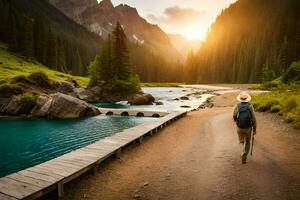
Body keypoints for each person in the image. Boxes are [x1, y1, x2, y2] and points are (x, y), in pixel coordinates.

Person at [233, 91, 257, 164]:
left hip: (240, 127)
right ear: (247, 99)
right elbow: (253, 118)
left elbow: (234, 115)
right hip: (248, 128)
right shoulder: (250, 106)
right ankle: (244, 153)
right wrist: (255, 129)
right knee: (247, 142)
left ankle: (242, 150)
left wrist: (236, 121)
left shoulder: (237, 105)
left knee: (241, 141)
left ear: (240, 98)